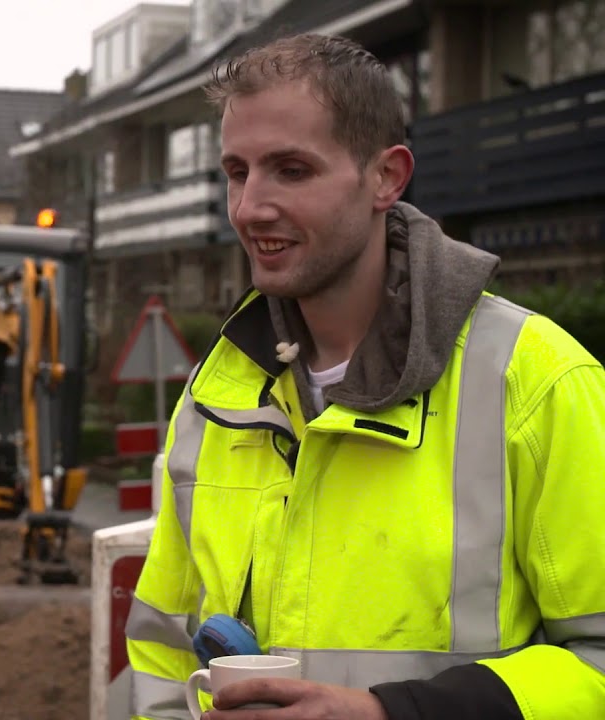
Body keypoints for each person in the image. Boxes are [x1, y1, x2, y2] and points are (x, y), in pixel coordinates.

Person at [125, 32, 605, 720]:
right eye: (237, 171)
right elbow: (163, 657)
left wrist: (390, 713)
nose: (250, 207)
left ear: (387, 177)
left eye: (291, 170)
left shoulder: (538, 381)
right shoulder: (215, 393)